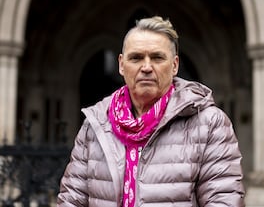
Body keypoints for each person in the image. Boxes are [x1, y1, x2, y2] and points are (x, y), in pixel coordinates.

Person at [57, 16, 245, 207]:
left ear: (174, 65)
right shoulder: (95, 124)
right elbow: (72, 199)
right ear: (122, 65)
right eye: (136, 58)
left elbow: (223, 200)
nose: (146, 67)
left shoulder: (209, 123)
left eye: (157, 57)